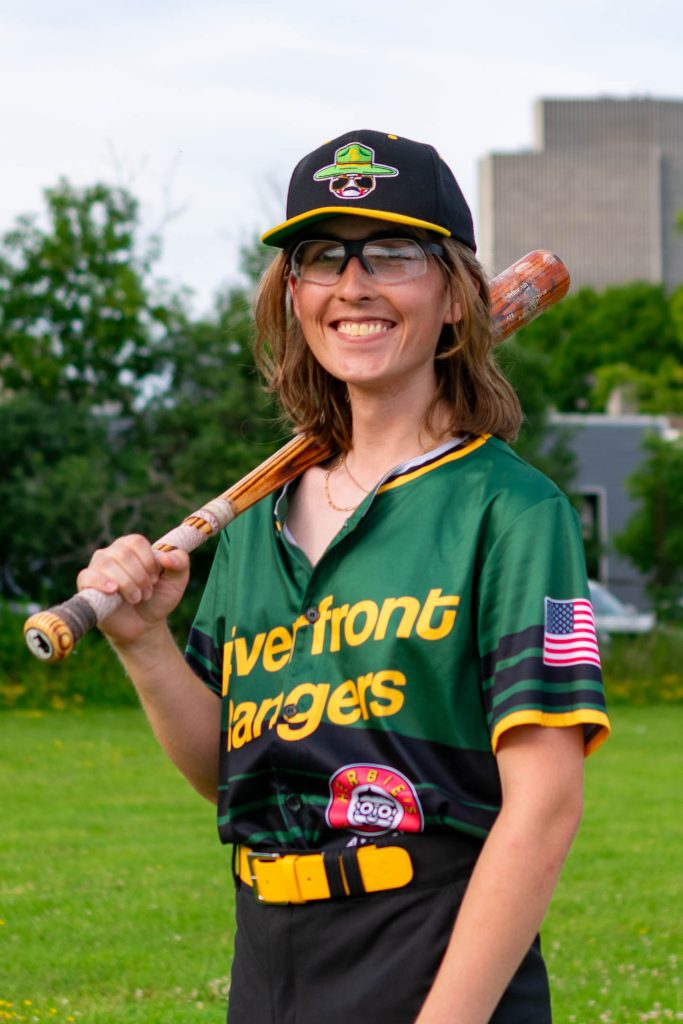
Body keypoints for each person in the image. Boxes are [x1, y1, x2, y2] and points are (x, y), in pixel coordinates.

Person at [77, 130, 610, 1023]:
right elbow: (233, 768)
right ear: (293, 296)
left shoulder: (511, 511)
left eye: (392, 254)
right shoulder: (256, 524)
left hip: (433, 952)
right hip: (271, 960)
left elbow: (545, 806)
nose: (353, 286)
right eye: (322, 258)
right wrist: (144, 645)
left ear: (454, 298)